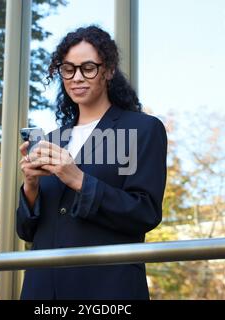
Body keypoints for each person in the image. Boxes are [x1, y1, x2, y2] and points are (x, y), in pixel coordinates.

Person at [16, 25, 167, 300]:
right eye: (68, 69)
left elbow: (145, 213)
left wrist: (77, 179)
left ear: (108, 71)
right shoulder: (54, 140)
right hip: (42, 290)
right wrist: (31, 186)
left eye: (88, 68)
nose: (76, 77)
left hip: (107, 289)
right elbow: (26, 231)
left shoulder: (142, 129)